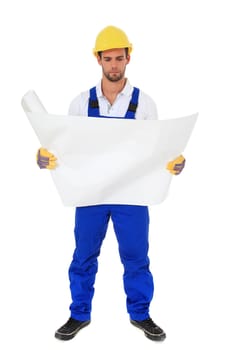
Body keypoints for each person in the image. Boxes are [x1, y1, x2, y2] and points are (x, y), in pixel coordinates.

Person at [37, 25, 185, 342]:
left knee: (136, 259)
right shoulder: (80, 103)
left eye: (119, 58)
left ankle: (141, 314)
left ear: (128, 58)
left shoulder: (145, 104)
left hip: (132, 196)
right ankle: (79, 314)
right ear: (98, 60)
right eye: (108, 59)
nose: (114, 65)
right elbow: (66, 150)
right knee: (83, 256)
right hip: (90, 195)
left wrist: (172, 163)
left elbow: (157, 151)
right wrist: (46, 155)